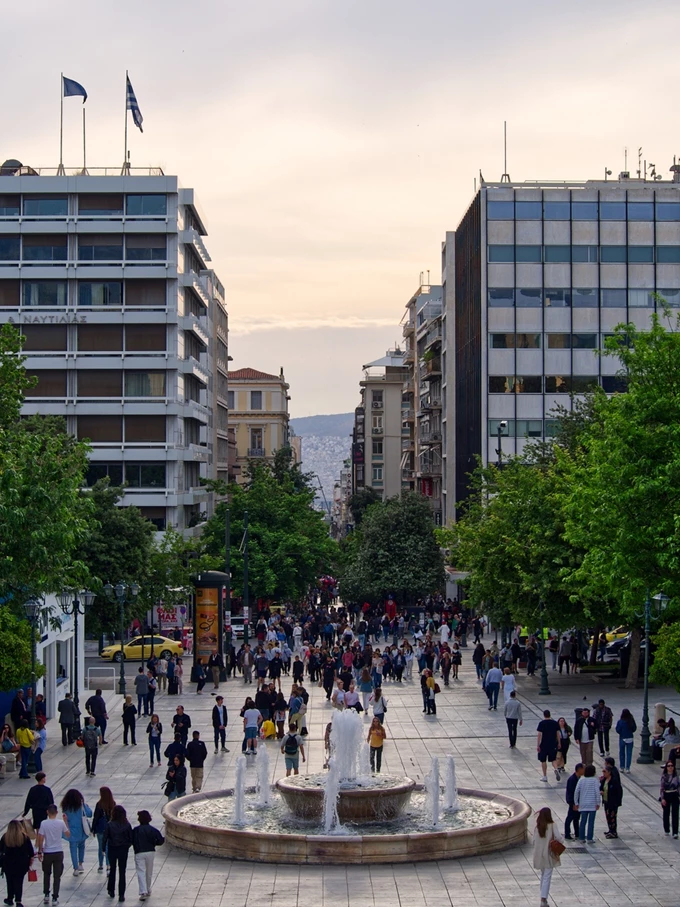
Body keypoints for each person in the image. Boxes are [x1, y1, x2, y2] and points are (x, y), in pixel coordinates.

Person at [37, 803, 68, 905]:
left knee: (46, 873)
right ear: (57, 812)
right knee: (57, 876)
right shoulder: (60, 823)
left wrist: (40, 851)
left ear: (47, 812)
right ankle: (55, 897)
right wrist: (66, 822)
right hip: (58, 852)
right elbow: (68, 834)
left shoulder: (43, 823)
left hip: (48, 852)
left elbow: (41, 838)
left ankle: (46, 894)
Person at [0, 818, 35, 907]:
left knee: (10, 881)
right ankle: (18, 901)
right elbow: (31, 852)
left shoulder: (5, 837)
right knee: (19, 882)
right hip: (21, 865)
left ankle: (10, 898)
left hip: (8, 864)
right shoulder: (24, 837)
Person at [532, 806, 562, 907]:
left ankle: (543, 898)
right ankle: (543, 900)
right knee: (547, 877)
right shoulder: (552, 825)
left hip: (539, 854)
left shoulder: (538, 827)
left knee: (543, 875)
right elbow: (559, 838)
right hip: (549, 854)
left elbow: (534, 841)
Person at [132, 810, 164, 902]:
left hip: (139, 852)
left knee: (141, 872)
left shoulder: (136, 830)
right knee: (149, 872)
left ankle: (143, 891)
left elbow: (131, 840)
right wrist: (154, 843)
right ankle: (148, 888)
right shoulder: (153, 830)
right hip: (150, 852)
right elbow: (161, 841)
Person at [103, 804, 133, 902]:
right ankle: (121, 894)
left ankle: (111, 890)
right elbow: (130, 838)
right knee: (122, 871)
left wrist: (103, 848)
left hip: (112, 848)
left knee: (112, 869)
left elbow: (105, 838)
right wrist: (126, 846)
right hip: (123, 850)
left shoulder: (110, 824)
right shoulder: (127, 825)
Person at [60, 788, 92, 876]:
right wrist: (86, 806)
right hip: (82, 829)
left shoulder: (66, 807)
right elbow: (89, 814)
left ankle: (75, 868)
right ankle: (81, 863)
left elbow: (65, 817)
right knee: (82, 846)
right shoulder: (81, 805)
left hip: (71, 830)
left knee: (73, 849)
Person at [574, 764, 601, 843]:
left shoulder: (581, 780)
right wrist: (598, 802)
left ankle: (581, 838)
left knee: (583, 821)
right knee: (591, 822)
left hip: (583, 804)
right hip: (592, 804)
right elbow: (597, 792)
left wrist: (576, 802)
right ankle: (589, 838)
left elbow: (576, 791)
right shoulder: (595, 780)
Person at [92, 786, 115, 874]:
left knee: (101, 847)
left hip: (100, 829)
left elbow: (96, 817)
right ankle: (108, 865)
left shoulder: (99, 804)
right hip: (109, 829)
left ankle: (101, 864)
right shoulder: (113, 803)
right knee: (108, 847)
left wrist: (93, 829)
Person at [536, 709, 561, 782]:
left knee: (543, 760)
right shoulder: (555, 723)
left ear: (544, 715)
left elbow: (539, 735)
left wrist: (538, 745)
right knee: (553, 759)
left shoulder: (542, 723)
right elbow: (558, 734)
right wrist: (559, 743)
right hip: (553, 744)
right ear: (550, 715)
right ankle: (556, 769)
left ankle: (545, 776)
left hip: (544, 744)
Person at [601, 762, 623, 839]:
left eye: (605, 772)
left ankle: (613, 831)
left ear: (609, 773)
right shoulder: (604, 780)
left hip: (613, 803)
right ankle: (610, 830)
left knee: (612, 817)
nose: (603, 773)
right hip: (606, 801)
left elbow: (619, 792)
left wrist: (617, 802)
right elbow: (601, 788)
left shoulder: (614, 781)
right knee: (608, 816)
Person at [564, 763, 585, 840]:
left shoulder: (579, 778)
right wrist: (573, 803)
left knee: (576, 818)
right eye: (583, 769)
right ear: (579, 769)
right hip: (573, 802)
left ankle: (577, 833)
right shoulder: (572, 779)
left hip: (577, 802)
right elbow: (571, 792)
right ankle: (567, 833)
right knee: (570, 817)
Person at [660, 760, 680, 838]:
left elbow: (678, 786)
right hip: (666, 794)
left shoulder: (676, 776)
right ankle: (667, 829)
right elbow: (662, 788)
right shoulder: (664, 776)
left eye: (672, 766)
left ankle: (675, 832)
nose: (670, 767)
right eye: (669, 766)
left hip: (674, 794)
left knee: (675, 813)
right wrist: (662, 798)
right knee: (666, 813)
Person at [616, 709, 637, 773]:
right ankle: (628, 768)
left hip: (622, 738)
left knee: (622, 753)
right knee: (629, 754)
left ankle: (622, 767)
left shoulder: (620, 721)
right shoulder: (631, 721)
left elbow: (618, 729)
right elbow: (634, 728)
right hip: (630, 738)